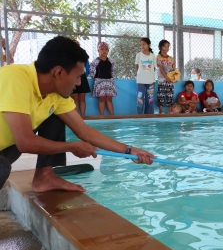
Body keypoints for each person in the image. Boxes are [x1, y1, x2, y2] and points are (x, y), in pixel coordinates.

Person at [0, 36, 154, 193]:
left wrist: (129, 151)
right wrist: (72, 147)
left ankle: (44, 176)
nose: (79, 83)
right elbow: (25, 142)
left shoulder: (55, 94)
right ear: (59, 72)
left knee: (55, 115)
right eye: (77, 76)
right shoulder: (15, 77)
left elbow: (84, 131)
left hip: (5, 151)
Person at [90, 41, 116, 116]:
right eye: (102, 49)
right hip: (99, 81)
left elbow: (113, 70)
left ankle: (112, 116)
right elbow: (92, 71)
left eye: (106, 49)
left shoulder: (111, 61)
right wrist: (95, 79)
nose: (104, 51)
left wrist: (111, 78)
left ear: (108, 51)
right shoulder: (95, 61)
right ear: (98, 50)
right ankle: (102, 116)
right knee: (101, 98)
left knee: (109, 98)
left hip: (109, 81)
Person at [135, 37, 156, 115]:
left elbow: (154, 67)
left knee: (150, 99)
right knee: (140, 98)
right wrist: (141, 73)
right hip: (140, 80)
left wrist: (148, 73)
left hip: (150, 80)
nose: (142, 46)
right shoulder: (138, 55)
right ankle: (140, 115)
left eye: (144, 44)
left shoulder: (152, 56)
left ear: (149, 45)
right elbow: (136, 66)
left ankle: (149, 115)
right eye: (141, 44)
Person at [71, 41, 90, 117]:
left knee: (82, 98)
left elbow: (87, 67)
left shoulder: (83, 56)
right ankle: (76, 117)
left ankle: (82, 116)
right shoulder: (69, 56)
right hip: (73, 77)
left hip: (82, 77)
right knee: (75, 98)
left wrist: (84, 75)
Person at [156, 39, 175, 114]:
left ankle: (170, 111)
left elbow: (173, 69)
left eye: (167, 46)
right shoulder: (158, 57)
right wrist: (166, 77)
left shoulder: (171, 58)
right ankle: (161, 111)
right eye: (164, 46)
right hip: (162, 80)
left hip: (170, 80)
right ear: (160, 47)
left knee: (170, 95)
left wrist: (174, 77)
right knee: (161, 95)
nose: (166, 48)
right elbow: (161, 68)